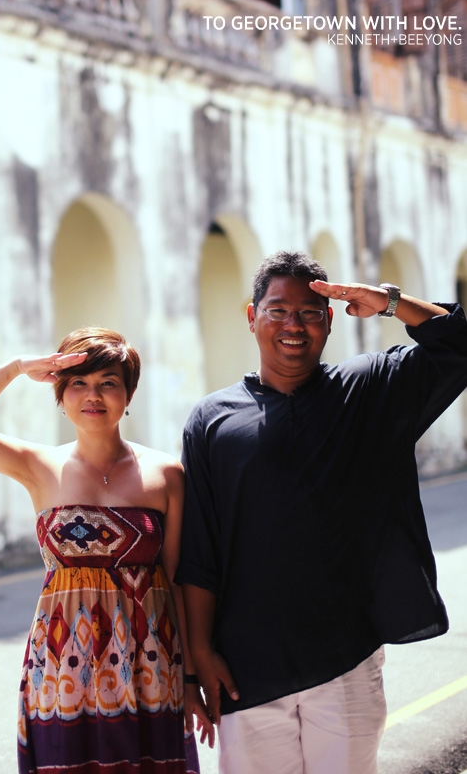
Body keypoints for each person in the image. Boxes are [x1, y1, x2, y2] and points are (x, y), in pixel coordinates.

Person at [176, 250, 467, 774]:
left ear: (330, 321)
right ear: (251, 317)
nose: (294, 325)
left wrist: (389, 302)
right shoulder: (212, 420)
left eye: (311, 312)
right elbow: (200, 549)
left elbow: (461, 343)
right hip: (246, 668)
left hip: (346, 660)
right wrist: (198, 656)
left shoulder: (372, 390)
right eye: (278, 310)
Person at [0, 326, 211, 774]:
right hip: (63, 666)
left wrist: (193, 677)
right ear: (59, 396)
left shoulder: (166, 474)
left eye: (108, 383)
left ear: (129, 394)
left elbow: (178, 580)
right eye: (78, 383)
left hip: (152, 664)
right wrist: (16, 368)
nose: (92, 395)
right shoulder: (37, 465)